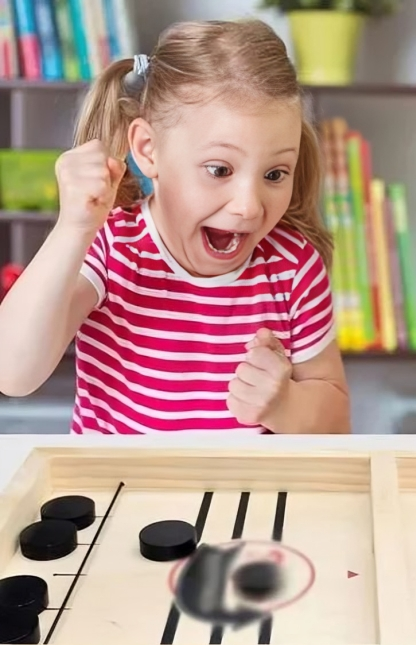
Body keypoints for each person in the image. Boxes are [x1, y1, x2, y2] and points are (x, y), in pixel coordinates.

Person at [0, 19, 350, 435]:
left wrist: (285, 404)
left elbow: (336, 421)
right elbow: (13, 373)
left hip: (245, 496)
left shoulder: (292, 266)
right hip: (118, 495)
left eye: (274, 174)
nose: (249, 206)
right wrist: (73, 228)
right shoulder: (111, 245)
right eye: (219, 169)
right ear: (148, 151)